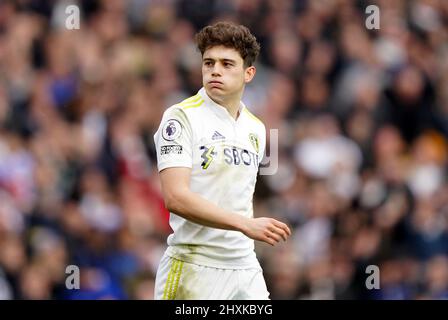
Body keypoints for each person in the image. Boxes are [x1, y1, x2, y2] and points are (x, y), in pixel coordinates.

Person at [153, 21, 291, 300]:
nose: (215, 70)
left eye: (227, 64)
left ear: (248, 73)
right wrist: (244, 224)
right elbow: (175, 198)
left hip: (243, 264)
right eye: (209, 63)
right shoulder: (180, 117)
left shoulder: (256, 128)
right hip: (194, 263)